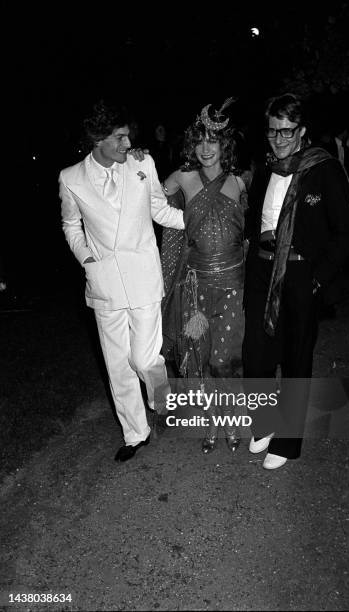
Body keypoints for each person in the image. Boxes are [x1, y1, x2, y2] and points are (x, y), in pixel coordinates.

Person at [59, 100, 184, 463]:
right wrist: (86, 257)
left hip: (144, 276)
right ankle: (135, 433)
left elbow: (158, 208)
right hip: (105, 283)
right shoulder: (70, 178)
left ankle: (161, 402)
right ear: (98, 140)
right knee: (117, 365)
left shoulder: (143, 163)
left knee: (145, 359)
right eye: (120, 138)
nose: (128, 145)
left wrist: (196, 223)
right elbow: (71, 225)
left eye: (129, 136)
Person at [243, 93, 349, 469]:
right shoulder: (264, 169)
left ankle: (288, 443)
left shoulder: (323, 169)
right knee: (256, 353)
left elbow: (346, 232)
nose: (279, 138)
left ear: (302, 131)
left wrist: (317, 279)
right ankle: (265, 423)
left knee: (295, 357)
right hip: (262, 269)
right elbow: (253, 220)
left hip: (300, 274)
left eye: (287, 131)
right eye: (273, 131)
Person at [160, 99, 250, 454]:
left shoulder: (240, 183)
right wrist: (136, 161)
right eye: (199, 141)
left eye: (213, 141)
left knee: (223, 359)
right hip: (196, 287)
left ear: (224, 144)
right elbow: (148, 197)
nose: (206, 148)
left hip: (233, 287)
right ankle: (213, 420)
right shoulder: (182, 177)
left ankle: (229, 418)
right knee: (200, 358)